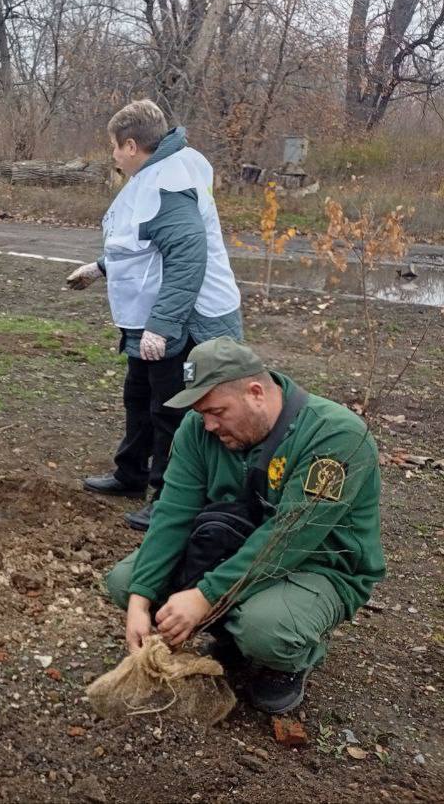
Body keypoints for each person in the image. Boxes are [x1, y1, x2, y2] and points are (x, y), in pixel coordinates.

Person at [103, 337, 385, 714]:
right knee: (127, 581)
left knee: (266, 629)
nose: (208, 424)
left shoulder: (336, 436)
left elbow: (288, 539)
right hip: (231, 547)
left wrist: (204, 596)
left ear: (255, 393)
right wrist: (140, 600)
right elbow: (172, 514)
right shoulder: (198, 428)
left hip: (315, 563)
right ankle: (231, 630)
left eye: (217, 411)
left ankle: (290, 659)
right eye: (200, 412)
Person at [68, 100, 242, 531]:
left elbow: (186, 257)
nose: (113, 155)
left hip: (186, 318)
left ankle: (168, 499)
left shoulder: (168, 186)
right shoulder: (156, 173)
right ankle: (131, 473)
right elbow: (142, 243)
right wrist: (100, 268)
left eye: (114, 146)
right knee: (138, 395)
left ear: (131, 146)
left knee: (170, 409)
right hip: (154, 313)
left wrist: (162, 326)